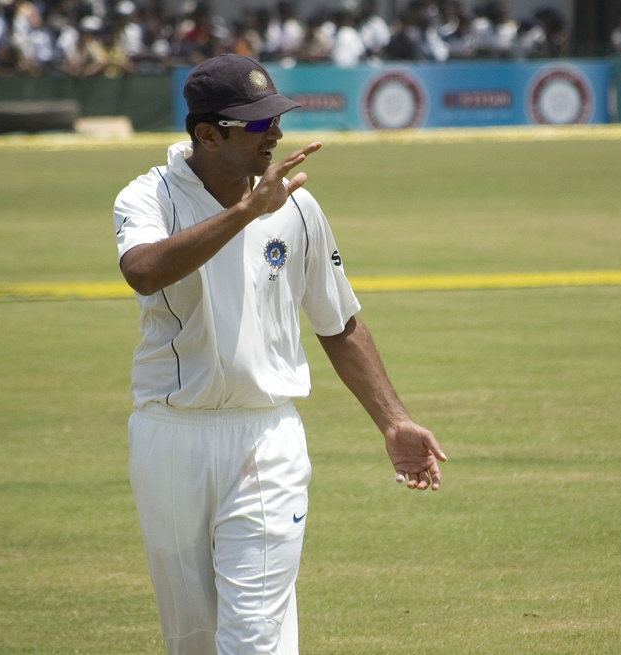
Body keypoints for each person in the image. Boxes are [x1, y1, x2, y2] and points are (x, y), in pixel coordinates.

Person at [112, 53, 446, 655]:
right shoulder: (148, 196)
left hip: (266, 437)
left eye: (276, 118)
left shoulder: (297, 206)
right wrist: (244, 214)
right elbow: (142, 271)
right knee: (192, 639)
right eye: (259, 124)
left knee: (254, 638)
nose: (278, 134)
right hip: (169, 436)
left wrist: (393, 420)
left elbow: (338, 322)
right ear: (207, 134)